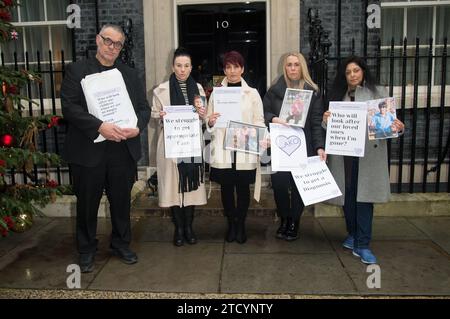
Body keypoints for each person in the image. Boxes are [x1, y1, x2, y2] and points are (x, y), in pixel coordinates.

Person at [61, 24, 150, 273]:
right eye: (108, 41)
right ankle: (87, 249)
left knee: (121, 202)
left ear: (122, 47)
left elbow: (143, 109)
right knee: (87, 204)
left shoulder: (130, 74)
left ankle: (121, 244)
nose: (112, 47)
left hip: (122, 149)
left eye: (118, 43)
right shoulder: (77, 70)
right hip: (89, 150)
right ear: (98, 40)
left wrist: (137, 127)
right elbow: (69, 107)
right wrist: (100, 126)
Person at [323, 56, 405, 264]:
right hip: (344, 156)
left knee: (364, 199)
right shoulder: (337, 96)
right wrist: (326, 121)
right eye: (348, 72)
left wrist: (399, 127)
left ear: (363, 71)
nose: (352, 75)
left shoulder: (378, 93)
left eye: (356, 70)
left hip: (368, 156)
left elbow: (388, 125)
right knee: (348, 197)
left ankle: (363, 244)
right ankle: (352, 234)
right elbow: (330, 129)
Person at [263, 52, 326, 241]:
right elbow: (263, 112)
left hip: (303, 146)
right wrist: (273, 118)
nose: (292, 68)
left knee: (299, 188)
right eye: (289, 65)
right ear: (285, 67)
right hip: (280, 147)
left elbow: (316, 122)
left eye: (296, 65)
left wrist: (319, 147)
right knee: (280, 186)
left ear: (302, 67)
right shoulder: (274, 90)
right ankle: (284, 219)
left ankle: (294, 222)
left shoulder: (312, 92)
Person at [206, 51, 265, 244]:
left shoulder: (252, 93)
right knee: (226, 187)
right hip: (223, 147)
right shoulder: (216, 93)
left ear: (242, 68)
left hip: (244, 146)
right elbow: (208, 121)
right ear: (224, 69)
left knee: (242, 188)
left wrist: (259, 136)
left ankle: (241, 225)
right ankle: (232, 224)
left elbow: (259, 120)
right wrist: (211, 122)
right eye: (228, 67)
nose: (232, 71)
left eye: (236, 67)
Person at [152, 48, 207, 247]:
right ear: (172, 66)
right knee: (174, 189)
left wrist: (202, 113)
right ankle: (179, 229)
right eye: (178, 65)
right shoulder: (161, 90)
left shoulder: (199, 89)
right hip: (170, 145)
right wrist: (161, 116)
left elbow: (204, 116)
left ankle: (189, 228)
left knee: (190, 188)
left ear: (191, 68)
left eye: (186, 66)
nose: (182, 70)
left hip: (191, 144)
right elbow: (154, 114)